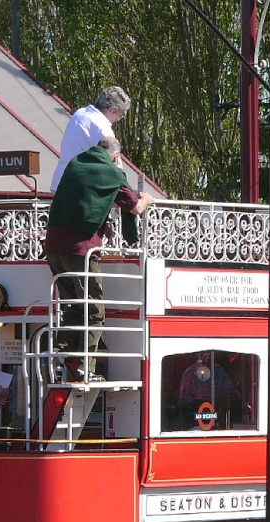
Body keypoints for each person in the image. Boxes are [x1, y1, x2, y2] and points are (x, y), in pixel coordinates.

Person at [45, 138, 154, 380]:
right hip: (80, 250)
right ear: (116, 157)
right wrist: (147, 199)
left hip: (53, 246)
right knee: (94, 310)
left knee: (72, 306)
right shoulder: (112, 172)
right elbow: (134, 207)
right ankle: (86, 368)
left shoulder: (75, 164)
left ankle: (61, 363)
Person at [50, 86, 131, 192]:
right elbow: (115, 166)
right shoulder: (103, 128)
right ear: (111, 110)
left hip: (60, 181)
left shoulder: (80, 113)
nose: (118, 120)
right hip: (80, 188)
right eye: (120, 115)